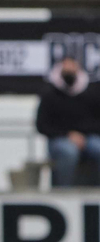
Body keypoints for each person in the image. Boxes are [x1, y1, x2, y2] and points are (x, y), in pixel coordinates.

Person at [36, 57, 100, 188]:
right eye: (66, 69)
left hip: (87, 138)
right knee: (69, 151)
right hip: (59, 139)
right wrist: (68, 135)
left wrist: (82, 135)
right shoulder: (49, 94)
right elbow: (42, 125)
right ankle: (64, 191)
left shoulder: (91, 93)